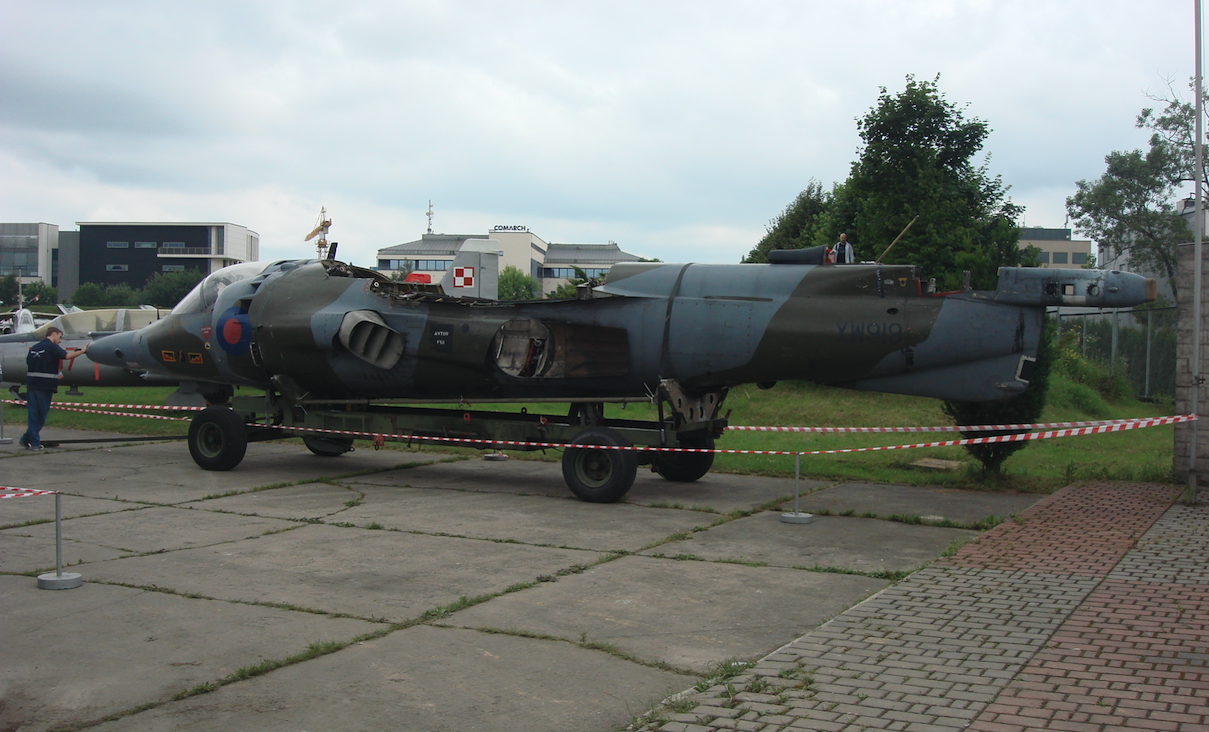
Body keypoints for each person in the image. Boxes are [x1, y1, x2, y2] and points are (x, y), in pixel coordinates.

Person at [20, 326, 88, 451]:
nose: (60, 340)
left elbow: (30, 363)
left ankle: (25, 439)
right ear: (53, 334)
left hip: (31, 385)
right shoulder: (51, 347)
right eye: (59, 337)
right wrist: (82, 351)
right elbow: (67, 356)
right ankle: (34, 443)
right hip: (44, 386)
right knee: (41, 416)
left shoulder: (34, 348)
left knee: (33, 414)